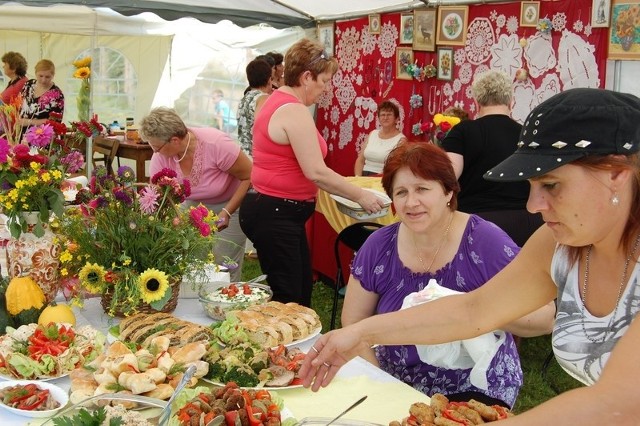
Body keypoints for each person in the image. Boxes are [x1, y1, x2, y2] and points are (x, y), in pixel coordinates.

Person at [301, 88, 640, 424]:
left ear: (615, 175)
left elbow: (617, 404)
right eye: (532, 186)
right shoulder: (556, 245)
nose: (532, 205)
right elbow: (474, 310)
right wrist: (361, 334)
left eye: (550, 185)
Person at [344, 142, 555, 407]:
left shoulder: (484, 241)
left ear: (447, 191)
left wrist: (476, 308)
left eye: (422, 189)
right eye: (401, 192)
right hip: (396, 381)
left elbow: (545, 317)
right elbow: (353, 322)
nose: (411, 202)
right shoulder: (379, 246)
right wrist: (383, 387)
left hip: (476, 385)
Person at [239, 38, 386, 307]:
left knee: (297, 294)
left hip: (275, 212)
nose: (326, 89)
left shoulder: (277, 100)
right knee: (292, 302)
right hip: (276, 214)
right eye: (324, 81)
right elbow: (316, 171)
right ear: (307, 77)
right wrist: (360, 195)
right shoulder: (293, 110)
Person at [141, 107, 251, 282]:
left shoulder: (216, 144)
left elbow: (249, 176)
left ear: (174, 140)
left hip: (230, 204)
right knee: (193, 262)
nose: (154, 152)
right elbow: (156, 194)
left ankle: (229, 304)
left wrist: (227, 212)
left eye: (156, 147)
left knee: (224, 264)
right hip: (192, 207)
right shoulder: (161, 156)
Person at [441, 70, 542, 247]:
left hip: (475, 223)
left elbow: (447, 177)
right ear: (511, 102)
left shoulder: (463, 131)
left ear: (477, 102)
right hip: (525, 223)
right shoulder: (527, 135)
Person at [354, 100, 407, 176]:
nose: (385, 117)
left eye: (389, 115)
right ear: (378, 118)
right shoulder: (372, 134)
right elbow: (360, 160)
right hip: (363, 177)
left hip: (383, 179)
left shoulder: (401, 140)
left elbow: (397, 167)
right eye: (382, 115)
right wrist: (357, 178)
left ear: (397, 119)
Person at [237, 58, 273, 157]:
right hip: (256, 156)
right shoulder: (263, 99)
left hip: (242, 154)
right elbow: (265, 130)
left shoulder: (244, 98)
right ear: (269, 79)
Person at [19, 59, 64, 128]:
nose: (43, 80)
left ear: (53, 75)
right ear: (35, 73)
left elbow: (55, 122)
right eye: (40, 76)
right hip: (20, 132)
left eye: (47, 77)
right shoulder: (28, 85)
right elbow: (19, 105)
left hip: (41, 135)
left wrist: (28, 122)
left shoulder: (57, 95)